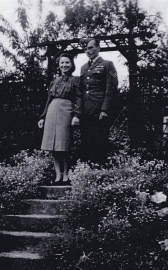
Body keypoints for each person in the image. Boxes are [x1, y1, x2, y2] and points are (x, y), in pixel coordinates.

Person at [38, 53, 81, 185]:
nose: (64, 65)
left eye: (67, 62)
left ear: (72, 64)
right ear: (59, 65)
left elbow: (79, 98)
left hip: (66, 111)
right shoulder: (54, 81)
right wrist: (42, 117)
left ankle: (66, 175)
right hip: (52, 111)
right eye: (62, 63)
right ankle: (57, 176)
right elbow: (48, 100)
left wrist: (76, 115)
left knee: (63, 144)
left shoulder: (76, 80)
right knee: (52, 146)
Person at [80, 38, 118, 164]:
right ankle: (88, 172)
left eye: (90, 48)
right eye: (85, 49)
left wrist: (105, 109)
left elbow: (111, 88)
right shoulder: (84, 67)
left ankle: (100, 171)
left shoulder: (107, 64)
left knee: (100, 141)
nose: (87, 51)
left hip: (100, 110)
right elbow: (82, 90)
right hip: (86, 111)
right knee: (87, 141)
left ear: (98, 48)